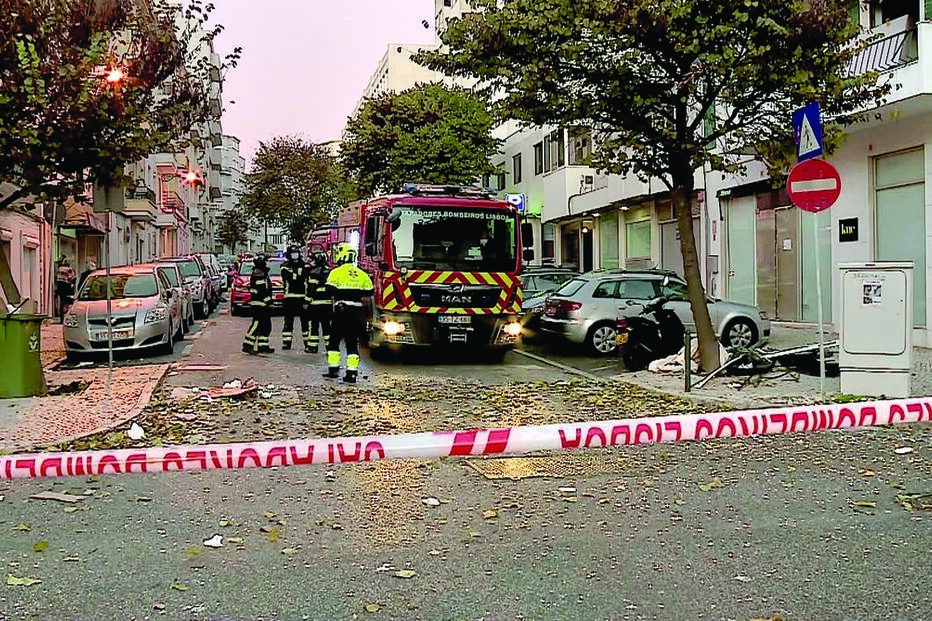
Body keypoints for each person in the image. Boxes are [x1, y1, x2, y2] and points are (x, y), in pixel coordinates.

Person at [323, 243, 373, 383]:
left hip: (341, 312)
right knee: (352, 344)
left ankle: (333, 371)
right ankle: (351, 374)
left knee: (334, 342)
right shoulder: (362, 274)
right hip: (356, 313)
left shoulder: (336, 272)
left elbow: (328, 291)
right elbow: (369, 291)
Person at [242, 255, 274, 355]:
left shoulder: (261, 273)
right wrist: (268, 301)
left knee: (266, 326)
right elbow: (261, 291)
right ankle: (247, 345)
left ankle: (263, 346)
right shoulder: (258, 274)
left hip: (262, 304)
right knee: (256, 325)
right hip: (259, 305)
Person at [280, 245, 309, 350]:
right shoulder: (285, 266)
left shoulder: (305, 265)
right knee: (288, 322)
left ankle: (307, 343)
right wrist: (297, 277)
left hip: (302, 298)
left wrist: (295, 276)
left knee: (305, 323)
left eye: (296, 252)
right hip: (289, 298)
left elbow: (304, 278)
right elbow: (287, 278)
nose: (295, 255)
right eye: (293, 253)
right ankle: (287, 343)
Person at [304, 247, 332, 354]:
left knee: (313, 326)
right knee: (327, 327)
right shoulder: (329, 271)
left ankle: (312, 347)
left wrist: (306, 301)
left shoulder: (315, 272)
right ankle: (329, 347)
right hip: (327, 305)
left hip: (315, 305)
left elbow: (311, 288)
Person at [55, 257, 76, 323]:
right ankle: (67, 318)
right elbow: (73, 278)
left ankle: (62, 319)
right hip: (67, 288)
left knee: (61, 304)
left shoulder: (59, 269)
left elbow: (58, 279)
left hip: (60, 288)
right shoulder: (69, 269)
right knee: (68, 305)